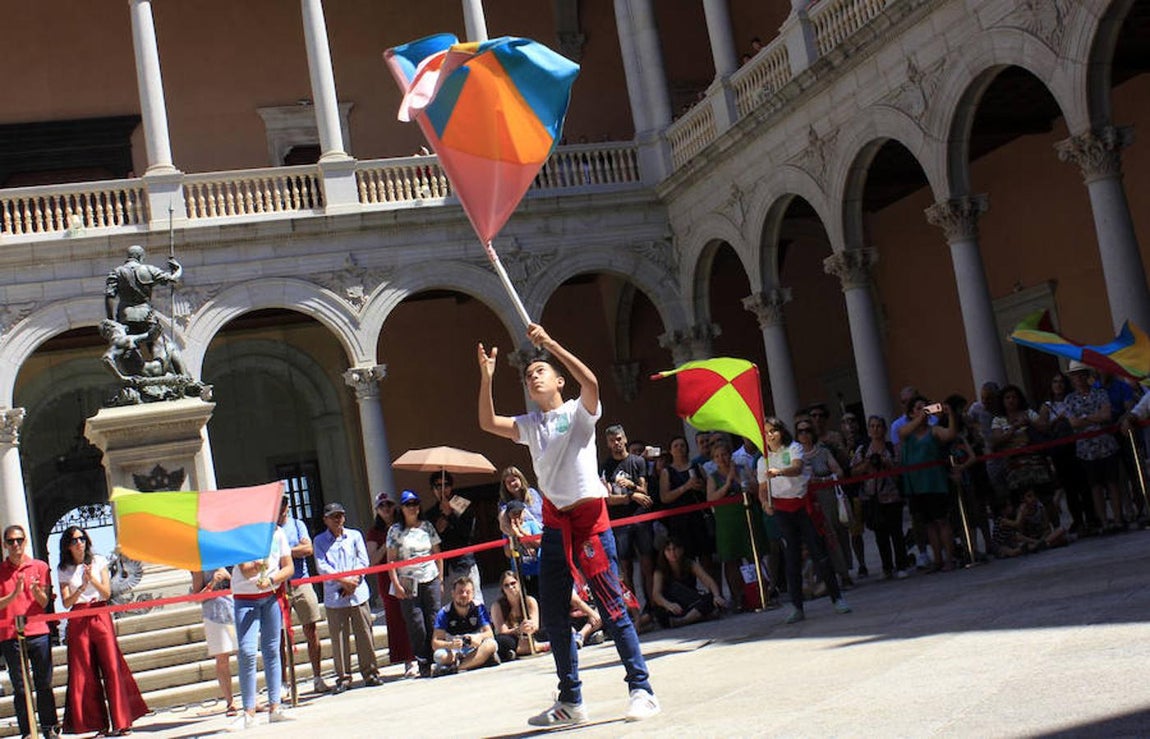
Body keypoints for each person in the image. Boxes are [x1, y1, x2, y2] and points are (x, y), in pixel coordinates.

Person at [477, 323, 660, 726]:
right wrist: (487, 378)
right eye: (527, 376)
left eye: (539, 371)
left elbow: (591, 381)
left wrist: (552, 345)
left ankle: (642, 689)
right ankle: (571, 700)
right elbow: (489, 422)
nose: (532, 376)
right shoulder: (529, 425)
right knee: (557, 616)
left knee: (613, 609)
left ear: (559, 380)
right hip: (556, 524)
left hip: (591, 520)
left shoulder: (578, 414)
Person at [757, 418, 851, 624]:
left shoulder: (794, 448)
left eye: (774, 431)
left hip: (803, 505)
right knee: (791, 557)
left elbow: (798, 468)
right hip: (782, 510)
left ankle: (837, 598)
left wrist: (779, 471)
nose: (770, 435)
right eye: (766, 432)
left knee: (819, 552)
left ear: (781, 431)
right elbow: (762, 489)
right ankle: (797, 606)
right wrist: (765, 504)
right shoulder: (762, 460)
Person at [57, 526, 148, 736]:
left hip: (100, 613)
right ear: (67, 546)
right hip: (78, 617)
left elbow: (106, 593)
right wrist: (81, 586)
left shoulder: (98, 561)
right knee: (85, 672)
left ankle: (122, 721)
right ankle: (97, 724)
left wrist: (93, 580)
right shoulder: (64, 568)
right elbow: (66, 601)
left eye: (82, 538)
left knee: (112, 667)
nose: (79, 543)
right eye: (73, 541)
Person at [229, 520, 294, 730]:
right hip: (245, 597)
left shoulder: (278, 534)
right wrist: (259, 564)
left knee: (272, 650)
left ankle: (275, 706)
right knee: (247, 651)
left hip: (270, 596)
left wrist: (273, 579)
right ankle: (248, 711)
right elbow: (246, 570)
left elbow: (288, 567)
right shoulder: (243, 533)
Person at [0, 524, 60, 738]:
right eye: (10, 541)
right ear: (5, 545)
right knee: (20, 686)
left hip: (37, 631)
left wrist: (35, 591)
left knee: (44, 682)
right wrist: (15, 593)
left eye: (19, 540)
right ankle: (28, 732)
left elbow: (44, 602)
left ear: (25, 541)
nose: (15, 544)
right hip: (10, 633)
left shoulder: (39, 566)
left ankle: (49, 727)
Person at [313, 502, 380, 692]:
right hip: (335, 595)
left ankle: (371, 673)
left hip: (357, 592)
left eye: (340, 515)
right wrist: (343, 581)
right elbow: (322, 566)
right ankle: (343, 677)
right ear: (325, 520)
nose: (337, 520)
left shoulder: (355, 535)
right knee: (339, 638)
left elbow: (363, 560)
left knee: (365, 634)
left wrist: (353, 582)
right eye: (333, 516)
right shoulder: (319, 541)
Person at [387, 490, 444, 679]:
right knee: (416, 623)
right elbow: (391, 560)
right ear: (401, 508)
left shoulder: (427, 526)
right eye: (408, 505)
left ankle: (439, 659)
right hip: (408, 582)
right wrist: (396, 584)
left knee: (434, 619)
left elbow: (437, 552)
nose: (412, 508)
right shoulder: (395, 531)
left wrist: (440, 579)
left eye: (415, 504)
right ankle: (423, 661)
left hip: (430, 577)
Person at [899, 397, 959, 572]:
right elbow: (902, 433)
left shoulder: (934, 431)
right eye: (918, 408)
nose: (924, 410)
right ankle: (937, 560)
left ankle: (949, 558)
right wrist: (920, 417)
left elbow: (950, 434)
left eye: (925, 408)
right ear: (911, 413)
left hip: (934, 482)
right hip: (916, 485)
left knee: (941, 521)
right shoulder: (907, 433)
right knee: (928, 524)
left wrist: (951, 415)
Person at [1066, 361, 1126, 532]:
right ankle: (1104, 522)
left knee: (1113, 482)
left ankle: (1118, 518)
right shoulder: (1070, 399)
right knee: (1095, 486)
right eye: (1075, 375)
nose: (1078, 378)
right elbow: (1073, 423)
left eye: (1081, 374)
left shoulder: (1100, 393)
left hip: (1106, 444)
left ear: (1086, 375)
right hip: (1086, 449)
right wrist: (1093, 417)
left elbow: (1106, 415)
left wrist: (1085, 417)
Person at [600, 424, 655, 607]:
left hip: (640, 518)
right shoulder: (606, 467)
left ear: (624, 439)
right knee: (626, 567)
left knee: (647, 563)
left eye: (618, 439)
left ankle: (651, 607)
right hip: (620, 521)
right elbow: (607, 499)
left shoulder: (638, 462)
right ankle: (634, 611)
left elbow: (644, 490)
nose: (616, 443)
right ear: (607, 443)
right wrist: (631, 497)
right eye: (612, 440)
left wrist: (630, 486)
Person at [364, 491, 418, 678]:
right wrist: (387, 540)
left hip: (408, 574)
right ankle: (406, 659)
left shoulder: (404, 525)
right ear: (377, 510)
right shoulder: (374, 532)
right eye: (382, 506)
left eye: (389, 505)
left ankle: (420, 654)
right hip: (386, 580)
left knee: (413, 614)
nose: (386, 509)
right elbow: (372, 560)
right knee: (396, 618)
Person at [276, 496, 326, 694]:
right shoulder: (270, 530)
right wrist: (293, 552)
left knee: (311, 628)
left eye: (283, 505)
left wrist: (285, 551)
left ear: (287, 506)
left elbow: (308, 548)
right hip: (279, 584)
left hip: (301, 581)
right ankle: (283, 682)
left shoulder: (297, 525)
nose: (281, 509)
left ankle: (317, 676)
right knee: (280, 635)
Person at [850, 416, 910, 579]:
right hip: (873, 497)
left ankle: (902, 564)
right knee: (880, 535)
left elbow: (899, 468)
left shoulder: (892, 448)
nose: (876, 430)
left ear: (884, 429)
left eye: (879, 426)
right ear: (868, 430)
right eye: (872, 426)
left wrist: (886, 462)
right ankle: (887, 567)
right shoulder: (863, 450)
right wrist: (868, 463)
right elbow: (854, 471)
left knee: (896, 532)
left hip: (892, 496)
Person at [705, 438, 761, 611]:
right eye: (717, 456)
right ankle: (737, 597)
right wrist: (728, 484)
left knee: (753, 556)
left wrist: (736, 477)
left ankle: (760, 592)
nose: (721, 458)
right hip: (726, 522)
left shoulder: (742, 469)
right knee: (731, 560)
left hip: (745, 516)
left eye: (724, 455)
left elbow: (754, 488)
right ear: (713, 459)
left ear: (731, 455)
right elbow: (711, 499)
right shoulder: (713, 477)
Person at [429, 471, 483, 604]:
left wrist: (450, 515)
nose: (442, 489)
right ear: (433, 490)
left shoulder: (463, 505)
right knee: (450, 606)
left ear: (451, 487)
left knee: (473, 602)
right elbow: (432, 540)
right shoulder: (430, 514)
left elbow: (469, 534)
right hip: (445, 568)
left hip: (464, 563)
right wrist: (440, 522)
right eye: (438, 486)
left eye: (446, 485)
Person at [650, 536, 726, 628]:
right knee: (659, 613)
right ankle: (699, 617)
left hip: (691, 601)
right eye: (668, 550)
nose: (672, 553)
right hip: (674, 604)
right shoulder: (660, 570)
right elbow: (656, 595)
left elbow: (709, 581)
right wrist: (668, 605)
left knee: (710, 599)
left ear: (681, 550)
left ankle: (685, 621)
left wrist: (716, 595)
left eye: (675, 549)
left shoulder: (690, 564)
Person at [191, 567, 237, 717]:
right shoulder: (200, 565)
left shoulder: (232, 555)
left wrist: (228, 577)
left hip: (238, 607)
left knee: (246, 654)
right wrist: (213, 582)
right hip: (215, 613)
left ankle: (251, 698)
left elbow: (246, 582)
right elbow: (197, 597)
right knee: (222, 659)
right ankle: (230, 701)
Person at [104, 244, 182, 332]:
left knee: (129, 342)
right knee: (151, 340)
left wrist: (110, 319)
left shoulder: (117, 272)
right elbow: (173, 279)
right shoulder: (150, 270)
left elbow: (109, 296)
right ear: (139, 256)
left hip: (125, 315)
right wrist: (178, 268)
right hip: (146, 314)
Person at [431, 576, 500, 675]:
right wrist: (450, 644)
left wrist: (478, 637)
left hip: (475, 648)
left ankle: (456, 668)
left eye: (468, 592)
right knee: (439, 656)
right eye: (460, 592)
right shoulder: (444, 612)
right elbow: (435, 643)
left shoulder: (479, 608)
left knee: (491, 644)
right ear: (453, 594)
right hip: (455, 652)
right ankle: (479, 661)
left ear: (473, 594)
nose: (464, 595)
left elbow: (490, 633)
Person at [490, 570, 548, 661]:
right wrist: (519, 629)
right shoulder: (497, 606)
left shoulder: (530, 601)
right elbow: (502, 631)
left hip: (531, 635)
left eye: (513, 583)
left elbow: (535, 625)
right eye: (506, 585)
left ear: (519, 584)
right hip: (512, 638)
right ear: (503, 589)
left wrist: (529, 627)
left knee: (547, 630)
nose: (511, 587)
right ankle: (542, 646)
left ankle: (518, 651)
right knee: (503, 641)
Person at [503, 500, 542, 598]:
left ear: (524, 513)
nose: (517, 516)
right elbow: (508, 553)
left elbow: (539, 543)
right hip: (521, 572)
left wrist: (522, 533)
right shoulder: (507, 531)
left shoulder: (531, 524)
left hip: (538, 568)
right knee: (527, 598)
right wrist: (513, 535)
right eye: (513, 513)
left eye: (519, 513)